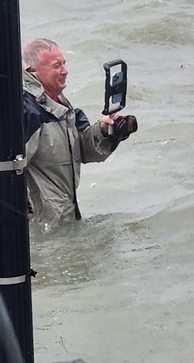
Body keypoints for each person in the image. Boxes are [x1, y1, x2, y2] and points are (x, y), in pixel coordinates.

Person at [22, 38, 129, 228]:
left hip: (64, 219)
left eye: (64, 63)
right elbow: (10, 172)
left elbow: (83, 153)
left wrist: (104, 131)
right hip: (42, 227)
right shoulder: (28, 112)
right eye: (57, 66)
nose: (65, 70)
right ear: (33, 72)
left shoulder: (59, 104)